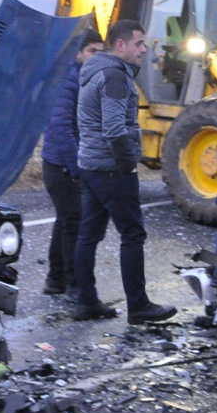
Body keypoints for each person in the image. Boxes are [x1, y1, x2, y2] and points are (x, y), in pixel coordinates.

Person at [72, 19, 177, 324]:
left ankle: (87, 302)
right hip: (110, 169)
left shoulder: (94, 72)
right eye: (139, 43)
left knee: (88, 235)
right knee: (132, 235)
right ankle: (139, 306)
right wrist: (127, 164)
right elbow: (115, 129)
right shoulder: (114, 76)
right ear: (120, 45)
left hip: (90, 165)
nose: (144, 50)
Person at [41, 28, 104, 297]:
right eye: (92, 51)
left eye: (101, 52)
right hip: (61, 165)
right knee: (75, 223)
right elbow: (61, 128)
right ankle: (74, 285)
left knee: (66, 220)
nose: (96, 57)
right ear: (78, 52)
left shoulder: (81, 77)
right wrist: (78, 167)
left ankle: (56, 280)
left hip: (64, 163)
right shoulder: (68, 80)